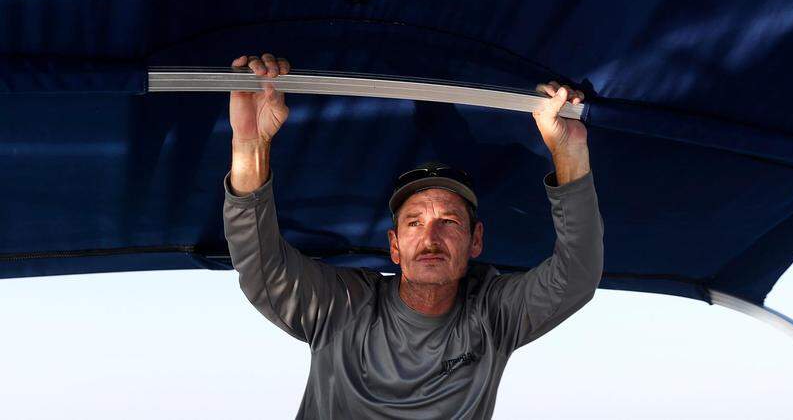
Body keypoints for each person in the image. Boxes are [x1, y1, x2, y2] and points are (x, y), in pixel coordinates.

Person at [222, 53, 604, 419]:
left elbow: (576, 275)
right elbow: (261, 267)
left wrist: (568, 153)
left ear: (476, 241)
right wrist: (250, 145)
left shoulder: (491, 315)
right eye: (414, 223)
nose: (430, 236)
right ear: (394, 246)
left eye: (450, 222)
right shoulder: (342, 307)